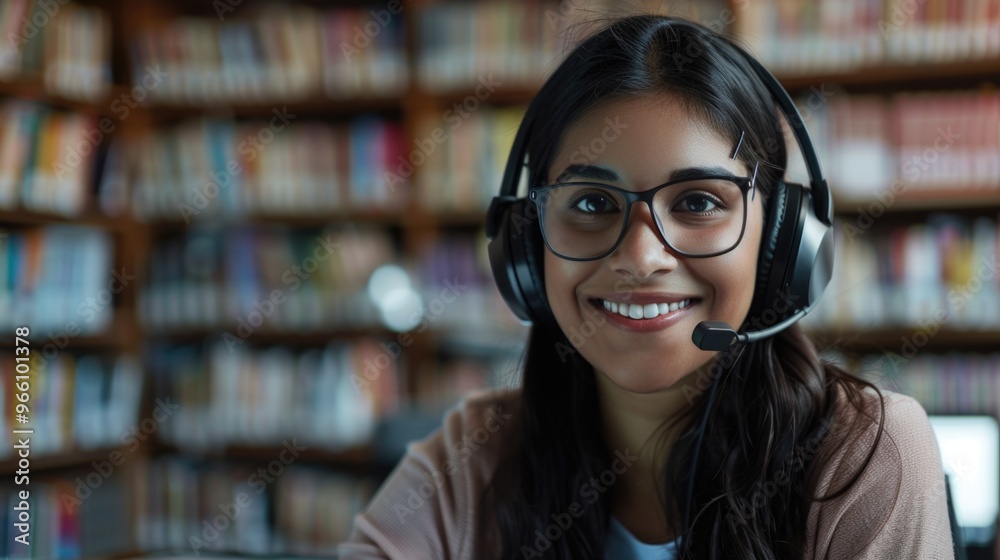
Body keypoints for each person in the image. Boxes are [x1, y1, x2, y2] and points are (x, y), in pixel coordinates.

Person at [338, 14, 955, 560]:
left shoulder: (868, 455)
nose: (640, 256)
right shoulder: (472, 458)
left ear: (782, 243)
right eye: (589, 201)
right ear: (526, 245)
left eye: (697, 201)